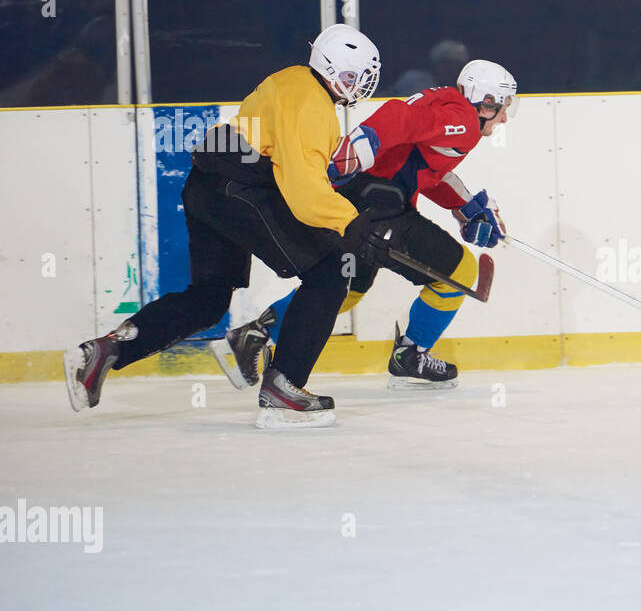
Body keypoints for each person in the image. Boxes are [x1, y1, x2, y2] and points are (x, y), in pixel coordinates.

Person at [65, 23, 386, 428]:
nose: (363, 84)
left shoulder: (290, 78)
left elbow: (289, 176)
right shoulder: (314, 105)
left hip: (207, 185)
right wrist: (351, 224)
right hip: (237, 189)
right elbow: (304, 195)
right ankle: (284, 388)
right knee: (331, 272)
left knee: (208, 298)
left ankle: (105, 352)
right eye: (359, 75)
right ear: (340, 71)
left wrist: (342, 221)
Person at [210, 60, 517, 391]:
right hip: (383, 205)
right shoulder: (464, 122)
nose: (503, 118)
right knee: (460, 273)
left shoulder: (446, 102)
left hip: (361, 199)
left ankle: (253, 335)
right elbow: (399, 117)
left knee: (345, 286)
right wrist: (358, 146)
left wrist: (465, 206)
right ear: (485, 102)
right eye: (502, 108)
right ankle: (411, 355)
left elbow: (426, 169)